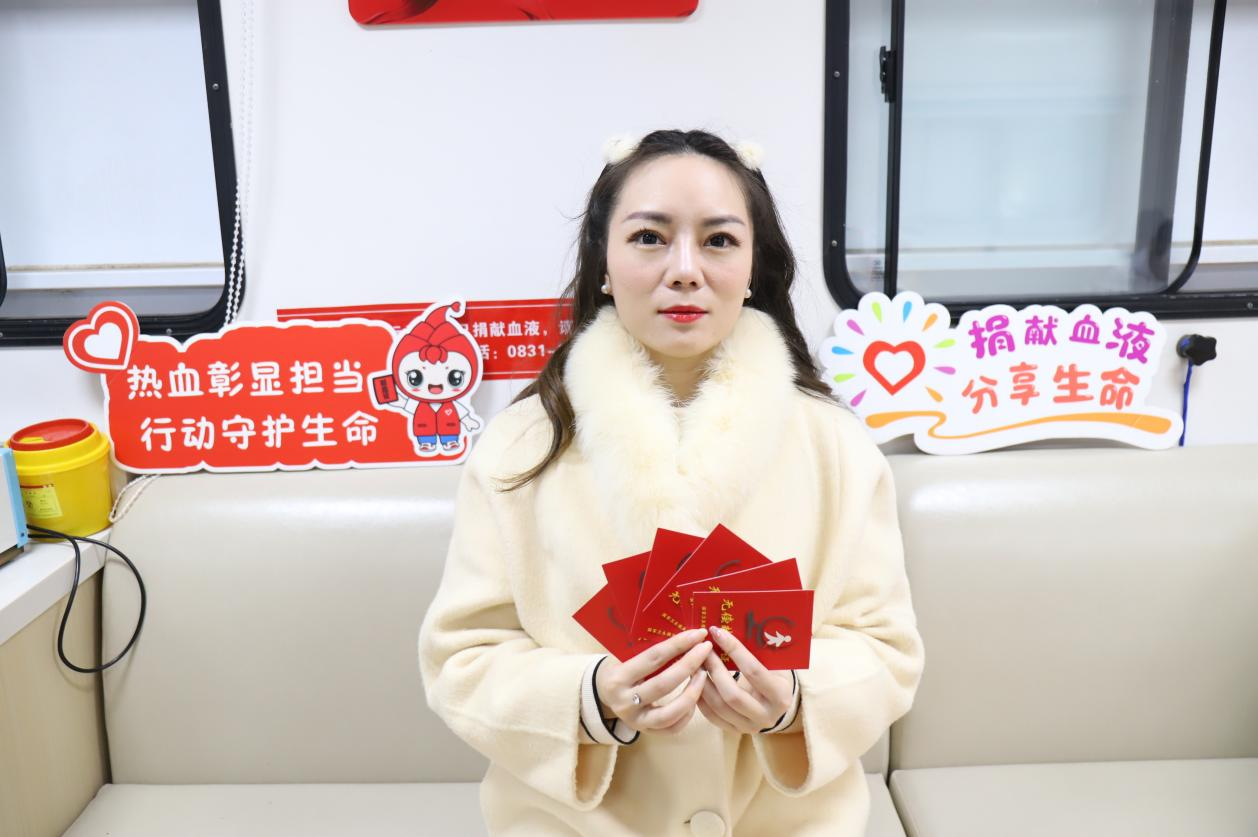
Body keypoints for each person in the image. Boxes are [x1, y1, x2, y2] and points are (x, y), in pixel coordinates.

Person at [418, 129, 924, 836]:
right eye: (650, 238)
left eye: (718, 241)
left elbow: (885, 647)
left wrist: (791, 703)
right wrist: (591, 698)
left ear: (753, 265)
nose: (685, 270)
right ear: (603, 262)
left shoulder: (836, 445)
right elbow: (463, 656)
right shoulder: (521, 447)